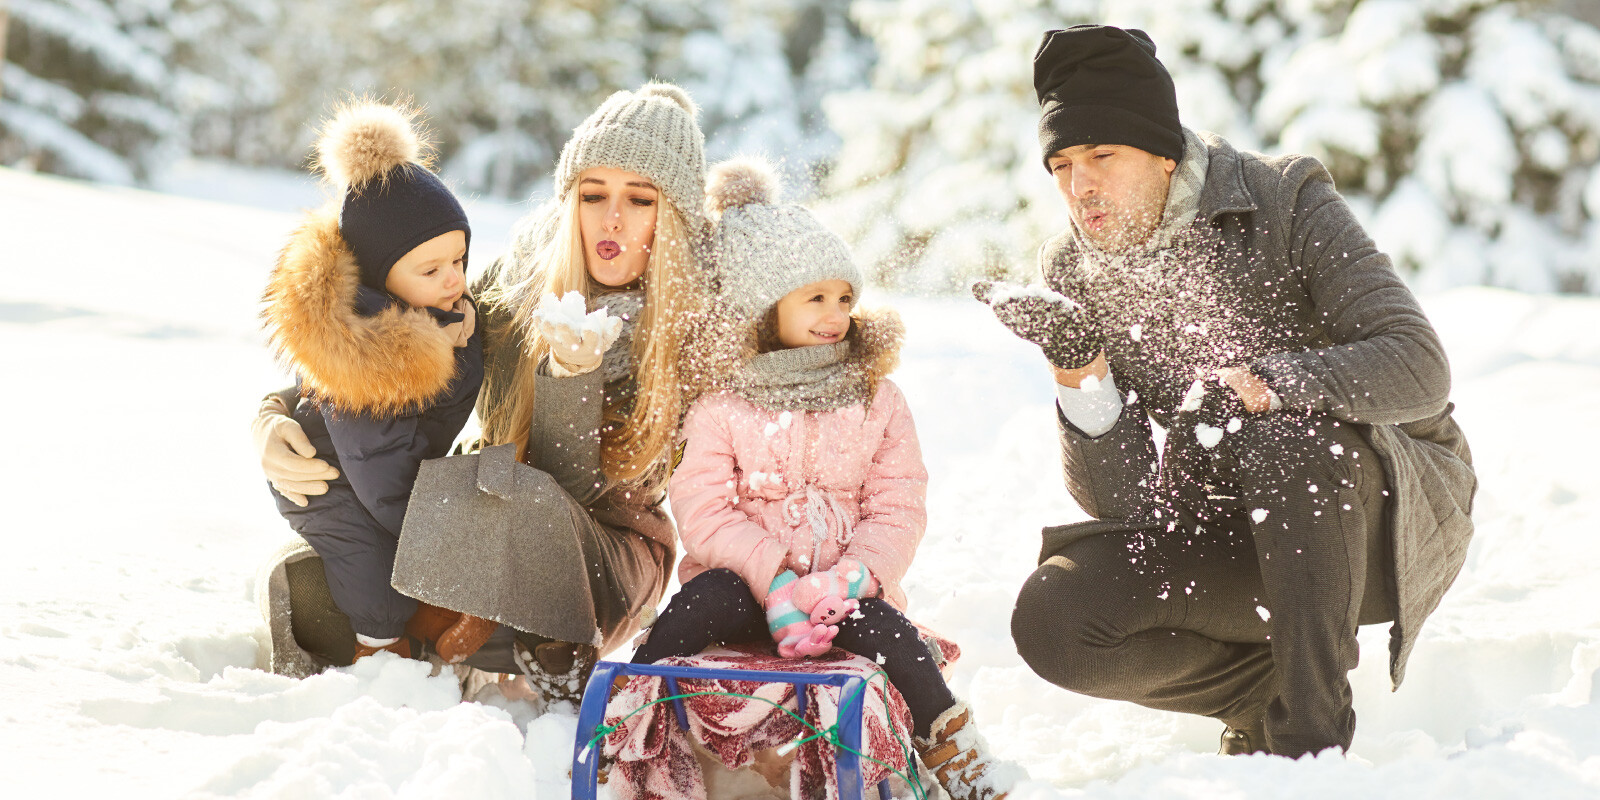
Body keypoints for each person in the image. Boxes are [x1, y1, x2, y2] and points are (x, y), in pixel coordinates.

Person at [984, 25, 1476, 758]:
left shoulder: (1284, 199)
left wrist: (1269, 385)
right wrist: (1079, 365)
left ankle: (1308, 744)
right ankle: (1259, 697)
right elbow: (1123, 508)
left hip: (1371, 520)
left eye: (1101, 155)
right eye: (1060, 163)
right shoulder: (1076, 267)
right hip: (1236, 537)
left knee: (1280, 438)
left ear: (1162, 150)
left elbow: (1418, 365)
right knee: (1057, 617)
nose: (1078, 185)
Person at [252, 83, 712, 700]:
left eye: (641, 199)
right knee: (318, 566)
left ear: (675, 214)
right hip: (489, 515)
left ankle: (486, 633)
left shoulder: (698, 328)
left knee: (510, 498)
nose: (612, 220)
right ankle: (422, 628)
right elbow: (387, 349)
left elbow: (567, 484)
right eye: (593, 194)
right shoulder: (519, 287)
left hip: (597, 557)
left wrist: (571, 383)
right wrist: (276, 415)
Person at [631, 158, 1019, 800]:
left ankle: (950, 744)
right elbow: (702, 508)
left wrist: (853, 575)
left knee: (891, 636)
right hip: (749, 588)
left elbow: (898, 503)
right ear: (764, 308)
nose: (835, 312)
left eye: (844, 297)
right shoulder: (723, 404)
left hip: (841, 594)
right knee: (695, 608)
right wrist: (775, 578)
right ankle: (631, 712)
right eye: (815, 298)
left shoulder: (876, 399)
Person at [259, 100, 492, 663]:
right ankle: (380, 652)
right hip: (331, 481)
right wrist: (444, 545)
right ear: (380, 279)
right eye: (431, 271)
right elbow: (383, 479)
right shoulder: (366, 360)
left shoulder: (445, 315)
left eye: (458, 259)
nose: (455, 279)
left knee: (403, 549)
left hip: (387, 473)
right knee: (372, 574)